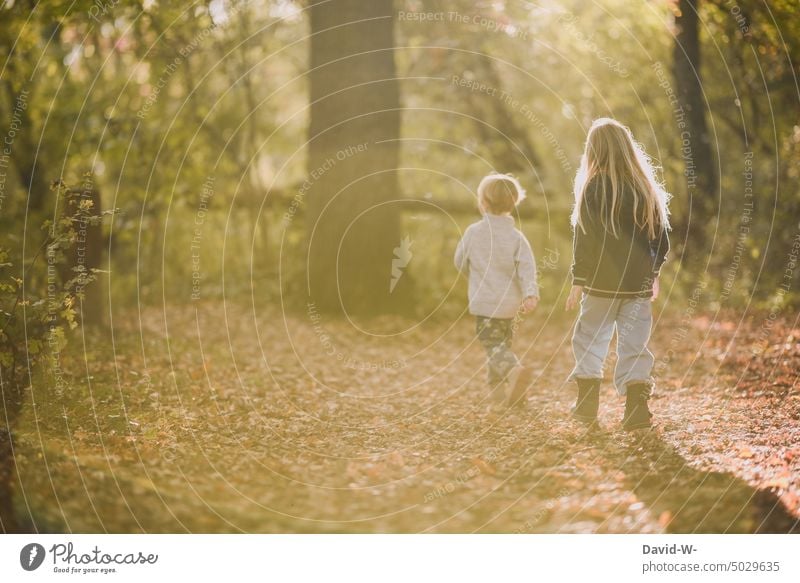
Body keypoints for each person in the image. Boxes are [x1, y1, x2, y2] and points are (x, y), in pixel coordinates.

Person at [565, 118, 671, 430]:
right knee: (635, 344)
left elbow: (583, 240)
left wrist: (578, 280)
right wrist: (653, 272)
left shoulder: (592, 188)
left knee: (589, 340)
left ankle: (586, 406)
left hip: (600, 284)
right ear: (628, 149)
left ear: (593, 151)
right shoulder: (645, 188)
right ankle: (636, 409)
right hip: (636, 285)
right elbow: (661, 239)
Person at [454, 173, 539, 410]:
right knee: (500, 346)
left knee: (494, 347)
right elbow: (527, 267)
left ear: (483, 202)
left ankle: (513, 371)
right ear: (514, 203)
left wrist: (473, 276)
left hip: (484, 303)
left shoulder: (473, 232)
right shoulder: (516, 237)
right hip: (509, 305)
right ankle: (501, 395)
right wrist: (530, 293)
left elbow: (459, 260)